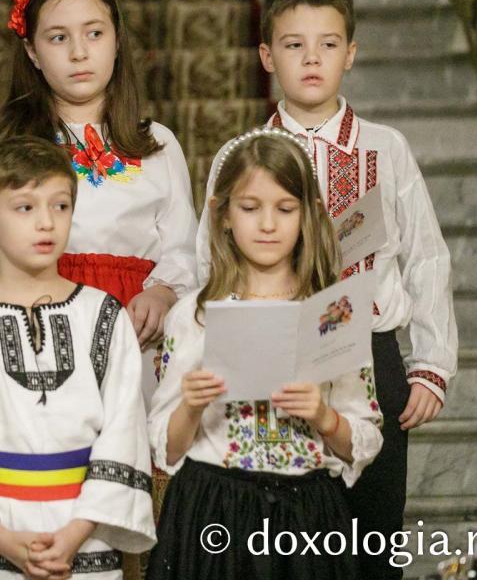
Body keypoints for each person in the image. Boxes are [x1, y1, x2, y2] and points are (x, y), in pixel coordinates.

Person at [195, 0, 457, 578]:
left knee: (373, 539)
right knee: (282, 541)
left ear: (351, 53)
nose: (312, 58)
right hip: (272, 355)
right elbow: (208, 262)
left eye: (328, 44)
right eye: (294, 45)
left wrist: (432, 364)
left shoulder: (386, 149)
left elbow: (426, 256)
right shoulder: (240, 155)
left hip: (372, 354)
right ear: (267, 56)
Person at [0, 136, 156, 579]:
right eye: (25, 207)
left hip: (86, 539)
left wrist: (74, 535)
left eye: (60, 206)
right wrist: (1, 539)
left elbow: (124, 431)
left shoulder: (103, 316)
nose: (46, 222)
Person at [149, 128, 383, 580]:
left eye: (285, 208)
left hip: (306, 518)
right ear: (223, 215)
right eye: (250, 208)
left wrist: (323, 416)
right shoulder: (193, 316)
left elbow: (365, 437)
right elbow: (167, 447)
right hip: (212, 511)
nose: (268, 225)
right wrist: (191, 406)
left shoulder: (332, 314)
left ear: (309, 214)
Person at [0, 0, 198, 381]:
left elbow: (184, 247)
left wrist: (163, 292)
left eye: (94, 33)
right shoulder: (9, 146)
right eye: (58, 38)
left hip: (136, 335)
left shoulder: (157, 144)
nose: (79, 53)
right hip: (37, 327)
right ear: (32, 51)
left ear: (117, 40)